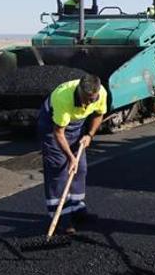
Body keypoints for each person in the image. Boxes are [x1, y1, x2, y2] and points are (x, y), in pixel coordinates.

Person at [37, 74, 107, 234]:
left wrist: (89, 135)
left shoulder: (101, 93)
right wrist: (70, 157)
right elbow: (59, 133)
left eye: (91, 100)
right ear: (79, 90)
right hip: (52, 127)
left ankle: (77, 209)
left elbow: (98, 114)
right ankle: (60, 217)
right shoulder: (63, 98)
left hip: (77, 126)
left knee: (80, 168)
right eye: (85, 99)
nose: (87, 103)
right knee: (59, 169)